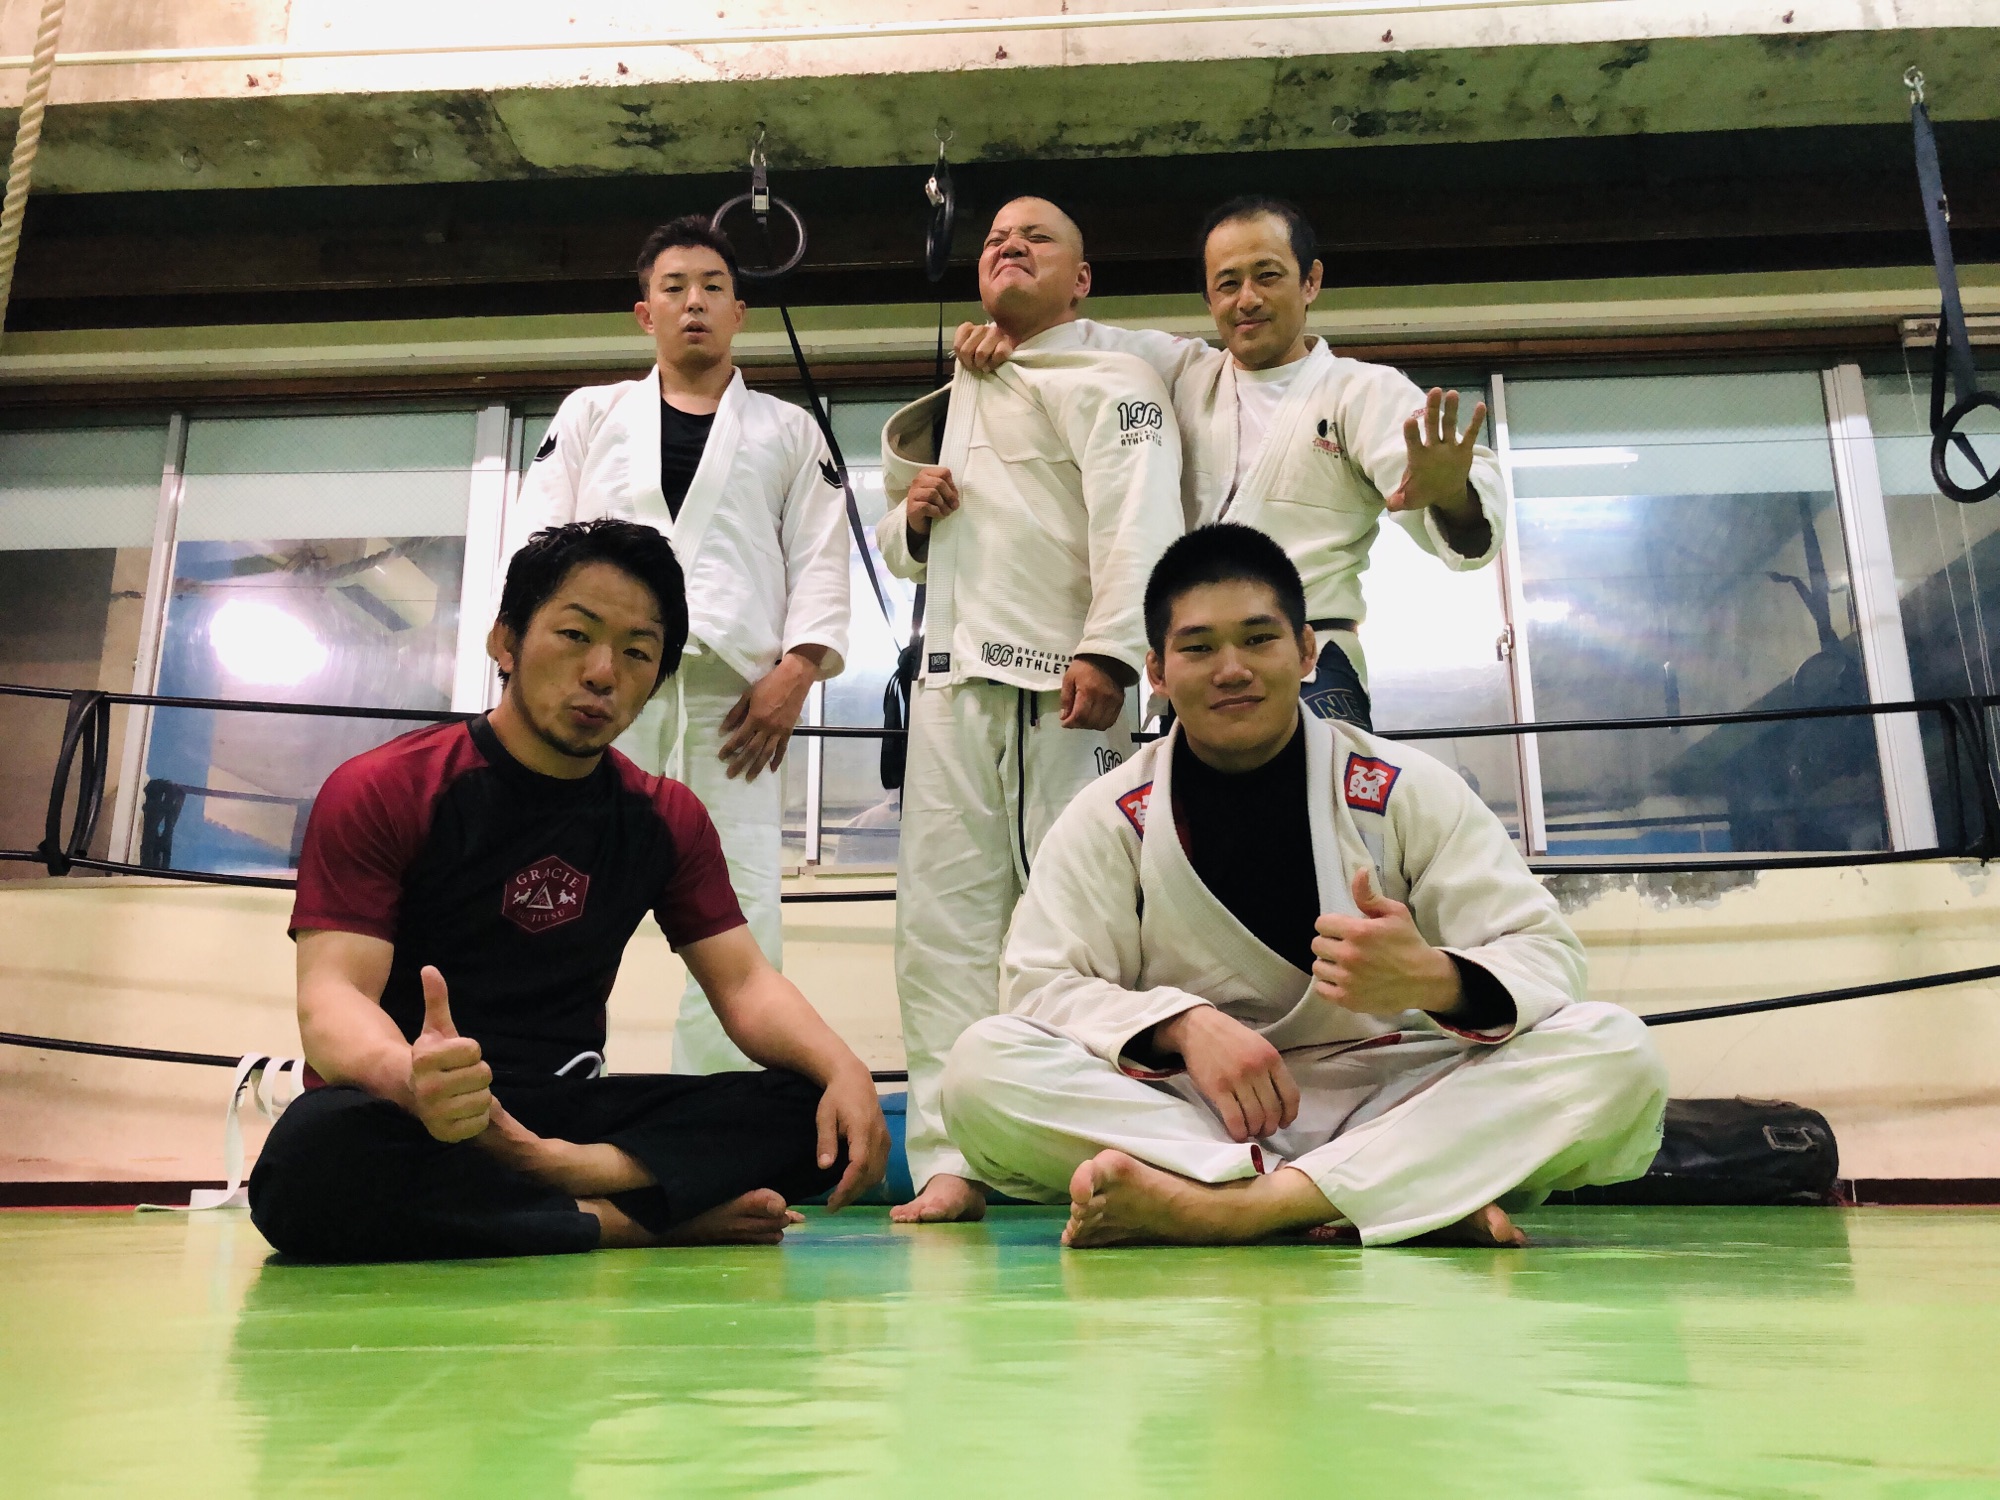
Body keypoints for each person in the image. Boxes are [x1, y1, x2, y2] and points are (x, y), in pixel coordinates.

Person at [940, 524, 1666, 1248]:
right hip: (1199, 1112)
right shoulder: (1112, 815)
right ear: (1156, 671)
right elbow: (1039, 986)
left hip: (1394, 1095)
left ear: (1308, 651)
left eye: (1259, 639)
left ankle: (1239, 1208)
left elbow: (1549, 957)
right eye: (1199, 648)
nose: (1232, 669)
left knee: (1614, 1051)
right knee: (980, 1069)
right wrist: (1180, 1026)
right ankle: (1401, 1190)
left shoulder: (1402, 789)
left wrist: (1435, 978)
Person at [248, 519, 888, 1262]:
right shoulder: (386, 788)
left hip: (568, 1116)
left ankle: (572, 1181)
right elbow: (332, 999)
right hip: (414, 1110)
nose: (603, 672)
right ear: (505, 641)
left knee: (811, 1109)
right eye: (576, 635)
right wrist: (411, 1076)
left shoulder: (664, 817)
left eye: (638, 652)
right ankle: (628, 1219)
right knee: (306, 1165)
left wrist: (843, 1068)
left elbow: (745, 985)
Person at [875, 196, 1186, 1224]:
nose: (1007, 245)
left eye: (1036, 237)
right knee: (941, 930)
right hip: (951, 684)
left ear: (1081, 280)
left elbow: (1139, 517)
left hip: (1069, 687)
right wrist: (912, 518)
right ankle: (949, 1162)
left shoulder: (1120, 380)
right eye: (994, 240)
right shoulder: (970, 378)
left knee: (1091, 931)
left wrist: (1113, 649)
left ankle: (1113, 1150)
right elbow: (904, 538)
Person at [505, 216, 849, 1073]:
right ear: (644, 313)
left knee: (741, 896)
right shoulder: (592, 412)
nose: (694, 302)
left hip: (739, 697)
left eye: (712, 288)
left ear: (739, 313)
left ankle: (724, 1108)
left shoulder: (789, 429)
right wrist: (521, 656)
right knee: (558, 870)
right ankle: (536, 1074)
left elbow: (821, 554)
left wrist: (799, 670)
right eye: (674, 288)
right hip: (600, 681)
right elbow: (539, 539)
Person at [956, 194, 1504, 730]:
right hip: (1192, 661)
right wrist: (997, 336)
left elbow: (1470, 518)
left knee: (1312, 790)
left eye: (1267, 276)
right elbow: (1061, 339)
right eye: (1227, 283)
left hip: (1307, 657)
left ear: (1310, 281)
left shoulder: (1362, 391)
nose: (1247, 299)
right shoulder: (1182, 372)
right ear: (1208, 297)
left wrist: (1452, 494)